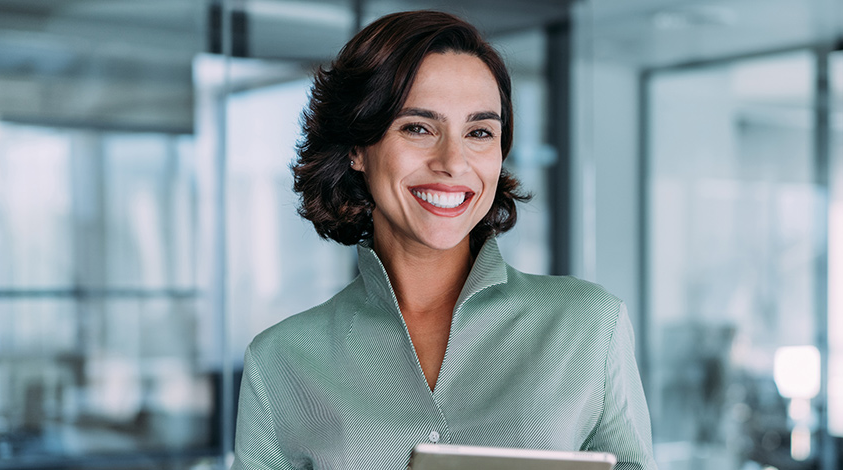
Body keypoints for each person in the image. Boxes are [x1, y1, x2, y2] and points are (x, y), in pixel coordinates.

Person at [232, 10, 656, 470]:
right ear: (357, 148)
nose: (453, 161)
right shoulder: (280, 362)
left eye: (479, 132)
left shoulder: (589, 326)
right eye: (418, 127)